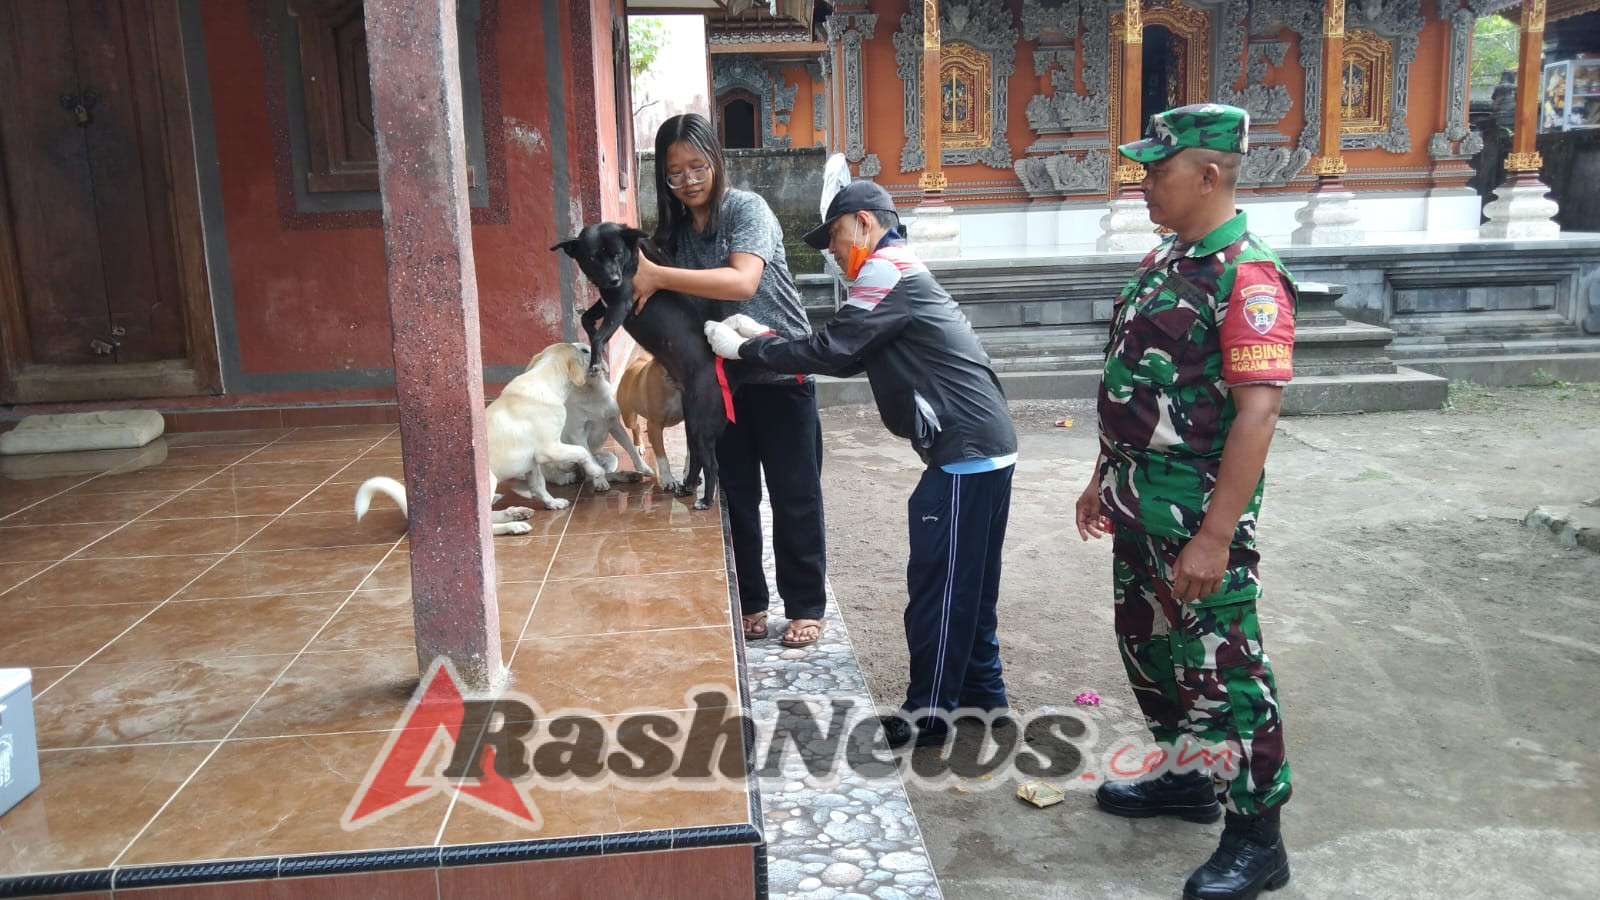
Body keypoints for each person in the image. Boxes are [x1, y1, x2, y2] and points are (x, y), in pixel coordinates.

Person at [704, 181, 1018, 749]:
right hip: (984, 447)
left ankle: (929, 716)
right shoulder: (900, 270)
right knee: (970, 582)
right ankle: (983, 696)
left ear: (867, 223)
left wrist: (746, 349)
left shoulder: (884, 268)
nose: (832, 251)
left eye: (836, 236)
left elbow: (833, 351)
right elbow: (852, 354)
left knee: (939, 586)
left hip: (964, 453)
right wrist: (767, 335)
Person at [1075, 103, 1295, 900]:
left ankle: (1256, 835)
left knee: (1223, 671)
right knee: (1150, 649)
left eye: (1157, 171)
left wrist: (1216, 535)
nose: (1143, 185)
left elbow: (1258, 412)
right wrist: (1102, 473)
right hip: (1139, 506)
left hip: (1197, 520)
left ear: (1209, 175)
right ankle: (1186, 778)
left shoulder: (1249, 276)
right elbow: (1131, 383)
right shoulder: (1167, 260)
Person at [628, 114, 827, 649]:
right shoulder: (671, 236)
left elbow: (743, 281)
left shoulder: (746, 208)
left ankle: (805, 605)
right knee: (737, 494)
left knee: (794, 495)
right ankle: (752, 603)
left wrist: (658, 274)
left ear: (716, 161)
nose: (689, 180)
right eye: (674, 173)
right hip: (722, 383)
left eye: (697, 166)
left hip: (782, 369)